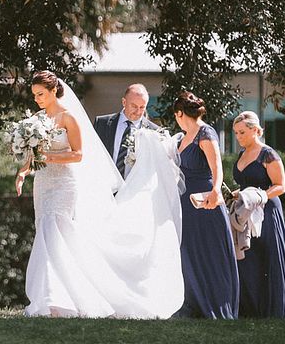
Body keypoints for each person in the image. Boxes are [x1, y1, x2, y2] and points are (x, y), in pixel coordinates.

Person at [16, 70, 184, 317]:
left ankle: (57, 299)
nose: (37, 99)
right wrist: (23, 171)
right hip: (43, 183)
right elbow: (34, 152)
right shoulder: (38, 119)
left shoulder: (69, 117)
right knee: (44, 232)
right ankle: (51, 297)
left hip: (64, 184)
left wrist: (47, 157)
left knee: (54, 232)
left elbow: (78, 155)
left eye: (40, 94)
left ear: (53, 91)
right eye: (34, 95)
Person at [230, 111, 285, 319]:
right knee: (247, 259)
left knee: (268, 259)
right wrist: (235, 194)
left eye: (242, 132)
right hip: (245, 212)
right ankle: (251, 312)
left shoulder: (268, 154)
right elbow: (246, 184)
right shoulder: (242, 154)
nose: (238, 137)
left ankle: (276, 313)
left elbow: (280, 185)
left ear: (255, 130)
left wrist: (261, 196)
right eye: (236, 133)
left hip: (267, 213)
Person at [172, 91, 239, 319]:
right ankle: (192, 303)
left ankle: (214, 304)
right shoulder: (182, 137)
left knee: (209, 252)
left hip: (205, 201)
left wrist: (216, 191)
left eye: (176, 116)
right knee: (189, 250)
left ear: (180, 113)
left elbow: (216, 167)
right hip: (185, 202)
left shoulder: (205, 132)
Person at [93, 83, 160, 178]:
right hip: (105, 182)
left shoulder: (154, 131)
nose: (138, 112)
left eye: (142, 107)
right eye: (134, 106)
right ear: (124, 102)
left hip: (136, 185)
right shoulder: (102, 123)